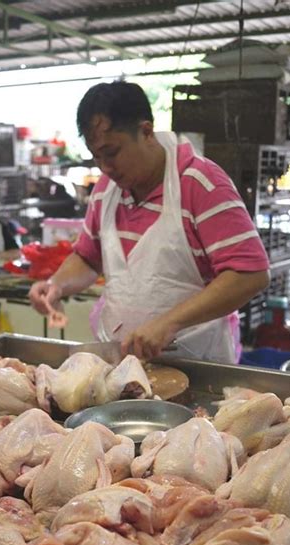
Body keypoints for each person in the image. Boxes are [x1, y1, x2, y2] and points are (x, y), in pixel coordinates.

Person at [29, 81, 270, 363]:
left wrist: (169, 323)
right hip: (120, 360)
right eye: (96, 157)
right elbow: (88, 258)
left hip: (196, 364)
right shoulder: (106, 191)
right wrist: (57, 284)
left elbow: (250, 274)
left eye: (112, 153)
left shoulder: (199, 183)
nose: (105, 167)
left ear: (146, 132)